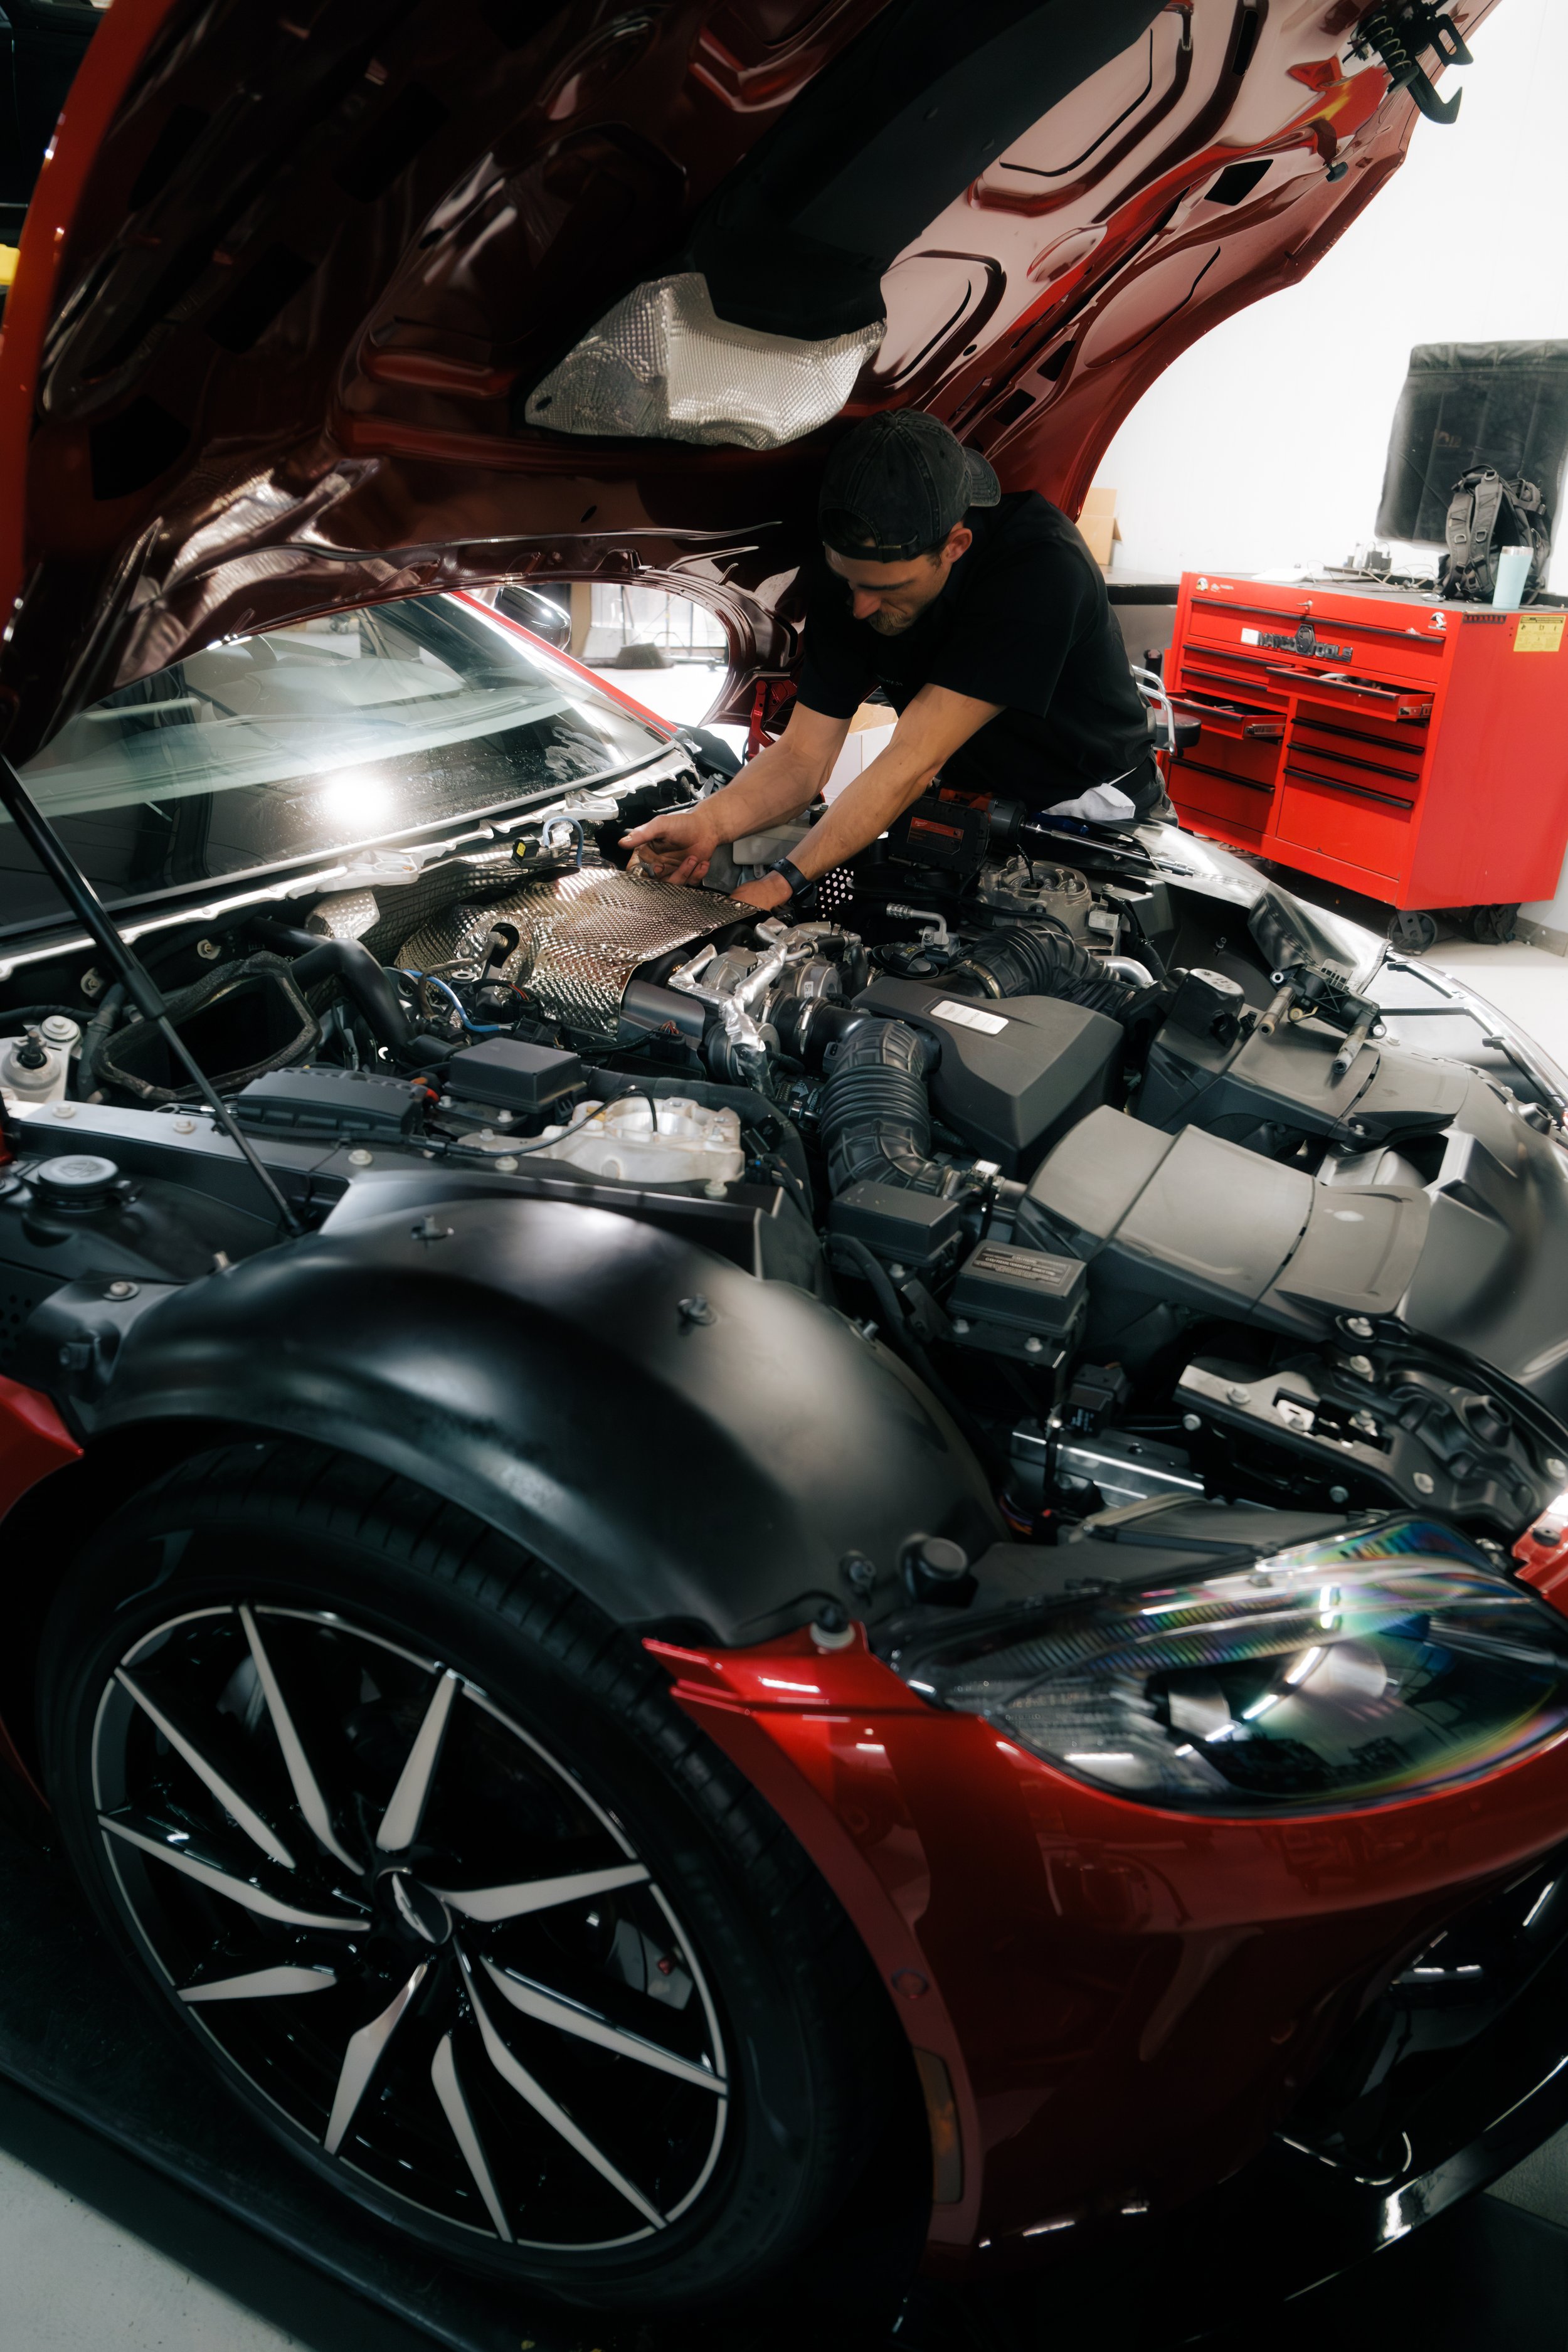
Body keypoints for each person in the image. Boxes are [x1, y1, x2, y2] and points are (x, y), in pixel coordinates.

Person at [620, 408, 1160, 914]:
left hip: (1091, 815)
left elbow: (912, 759)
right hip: (977, 812)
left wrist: (781, 883)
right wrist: (710, 822)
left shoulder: (1038, 569)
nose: (860, 607)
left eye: (885, 588)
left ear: (956, 545)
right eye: (850, 582)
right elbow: (804, 758)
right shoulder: (856, 574)